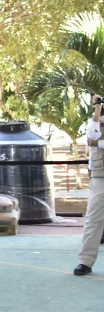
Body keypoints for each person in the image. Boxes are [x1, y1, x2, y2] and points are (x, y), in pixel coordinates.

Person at [73, 94, 104, 276]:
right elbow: (91, 136)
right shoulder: (97, 120)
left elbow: (94, 141)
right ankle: (85, 261)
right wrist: (97, 110)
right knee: (93, 220)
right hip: (100, 177)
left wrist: (97, 144)